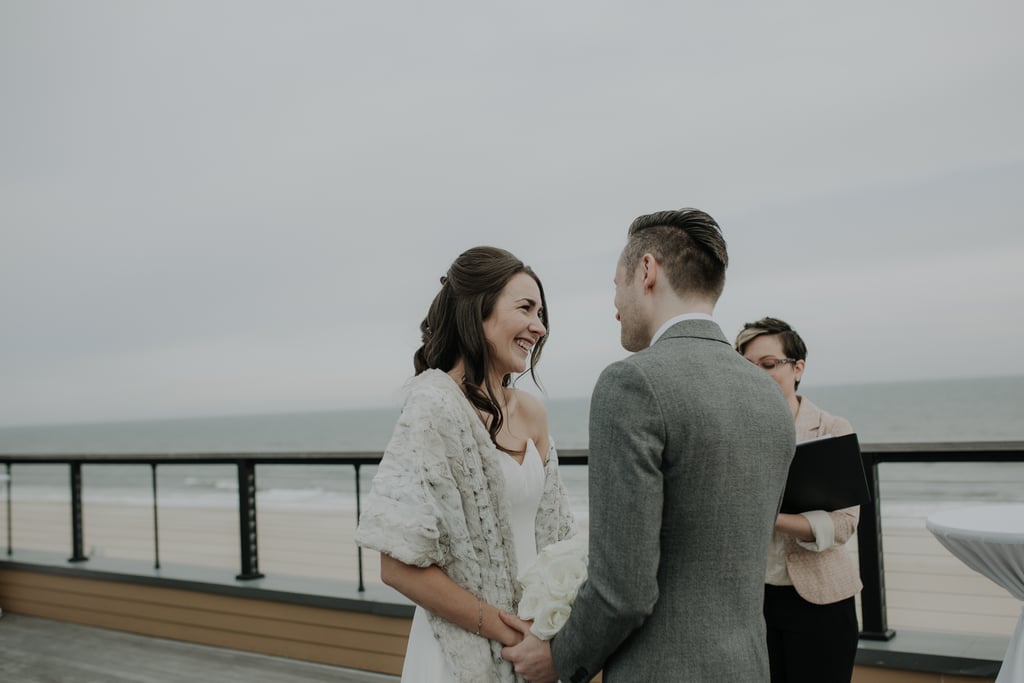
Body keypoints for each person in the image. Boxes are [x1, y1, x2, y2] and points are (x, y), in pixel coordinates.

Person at [501, 208, 796, 682]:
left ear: (646, 271)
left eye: (616, 283)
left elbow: (625, 589)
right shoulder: (769, 395)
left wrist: (560, 660)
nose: (614, 302)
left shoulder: (631, 384)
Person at [354, 246, 576, 682]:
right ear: (479, 313)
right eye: (526, 308)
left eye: (542, 312)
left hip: (537, 648)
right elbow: (397, 566)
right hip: (460, 652)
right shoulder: (433, 406)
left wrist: (551, 629)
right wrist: (506, 632)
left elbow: (557, 539)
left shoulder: (533, 413)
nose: (540, 326)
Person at [734, 317, 862, 683]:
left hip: (821, 601)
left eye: (769, 365)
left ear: (798, 367)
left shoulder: (832, 429)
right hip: (750, 604)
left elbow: (845, 525)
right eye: (747, 366)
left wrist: (770, 516)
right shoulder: (733, 434)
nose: (757, 375)